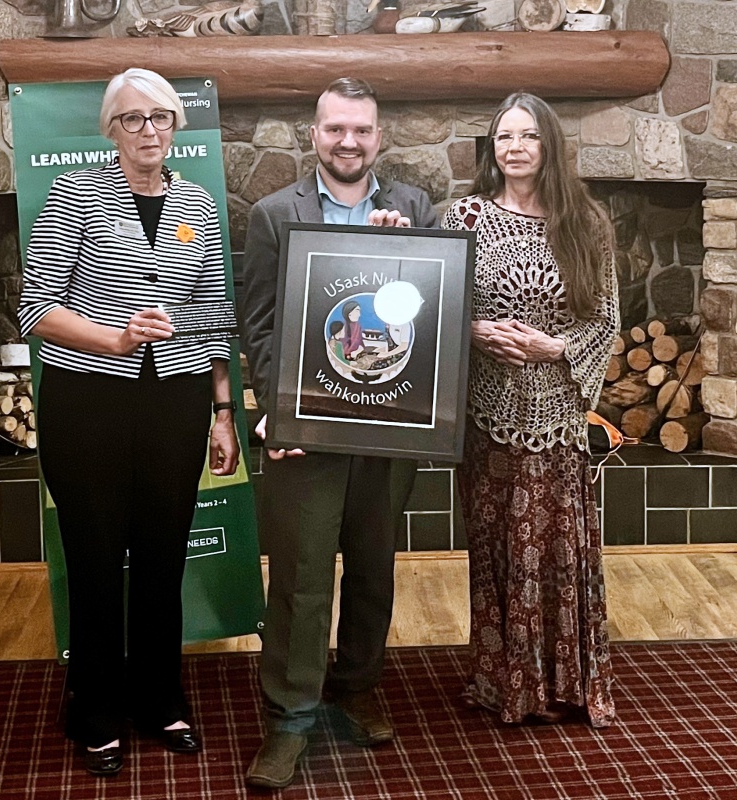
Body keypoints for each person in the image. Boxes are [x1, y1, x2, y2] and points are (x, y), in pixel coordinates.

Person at [17, 67, 240, 777]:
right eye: (133, 119)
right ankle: (93, 707)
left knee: (162, 558)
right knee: (93, 559)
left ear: (177, 126)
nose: (149, 130)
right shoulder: (75, 194)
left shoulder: (198, 204)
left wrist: (224, 413)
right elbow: (36, 309)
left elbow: (213, 317)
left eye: (161, 117)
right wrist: (113, 339)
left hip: (176, 403)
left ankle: (158, 699)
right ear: (111, 130)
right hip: (89, 405)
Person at [240, 77, 437, 789]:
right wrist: (280, 411)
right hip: (307, 429)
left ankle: (357, 687)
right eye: (334, 129)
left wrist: (404, 252)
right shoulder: (272, 214)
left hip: (388, 426)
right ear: (313, 135)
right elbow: (260, 325)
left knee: (374, 567)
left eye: (360, 130)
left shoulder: (415, 208)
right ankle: (290, 718)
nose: (347, 142)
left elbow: (427, 315)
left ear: (379, 137)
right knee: (300, 575)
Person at [441, 93, 619, 728]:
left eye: (528, 136)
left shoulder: (586, 222)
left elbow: (606, 318)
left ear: (549, 145)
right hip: (486, 414)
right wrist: (474, 330)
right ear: (491, 148)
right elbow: (436, 300)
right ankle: (503, 680)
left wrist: (556, 347)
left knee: (556, 548)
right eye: (504, 137)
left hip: (557, 417)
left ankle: (564, 682)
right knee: (496, 548)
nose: (515, 148)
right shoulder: (463, 216)